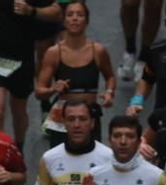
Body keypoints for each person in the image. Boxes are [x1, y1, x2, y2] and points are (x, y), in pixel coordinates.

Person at [0, 0, 62, 150]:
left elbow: (57, 12)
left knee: (18, 109)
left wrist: (31, 10)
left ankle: (19, 147)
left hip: (22, 53)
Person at [34, 1, 114, 150]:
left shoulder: (98, 51)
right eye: (70, 15)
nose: (75, 18)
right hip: (63, 116)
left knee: (91, 162)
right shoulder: (53, 53)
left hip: (89, 114)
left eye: (80, 14)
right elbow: (39, 91)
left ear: (87, 20)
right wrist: (53, 90)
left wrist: (109, 92)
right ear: (64, 21)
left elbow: (110, 77)